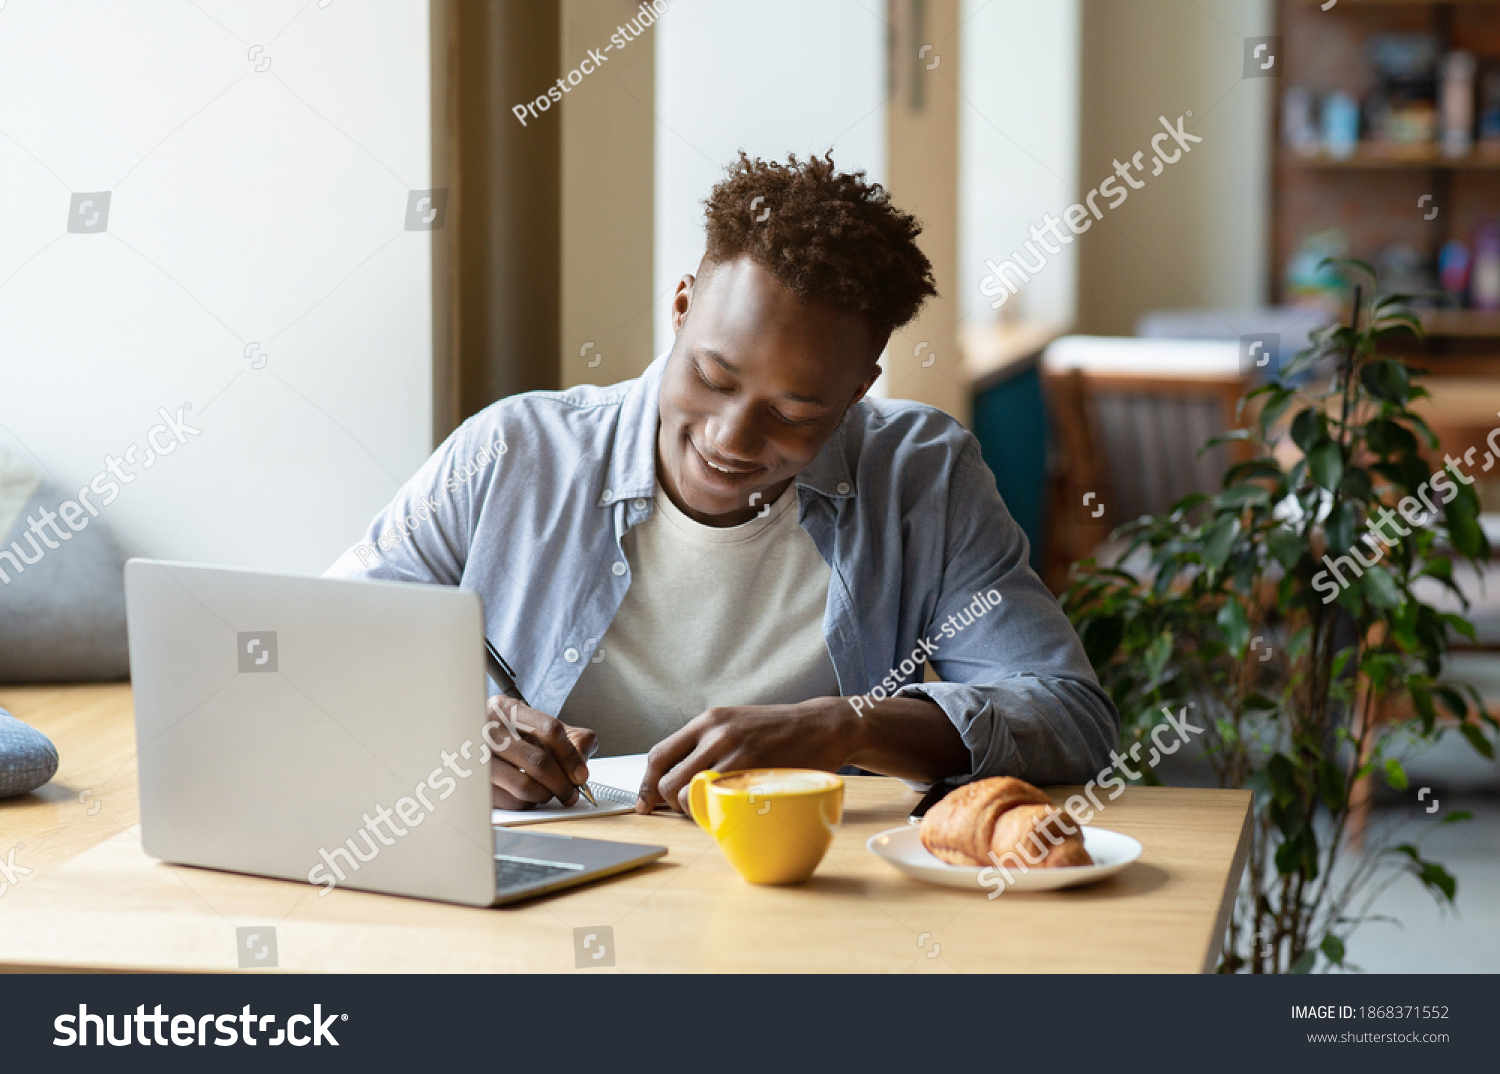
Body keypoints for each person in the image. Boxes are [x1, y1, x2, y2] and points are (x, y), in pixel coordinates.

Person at [326, 151, 1118, 814]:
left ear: (857, 391)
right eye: (712, 375)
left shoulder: (923, 475)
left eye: (798, 412)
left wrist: (849, 727)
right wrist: (457, 726)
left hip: (800, 895)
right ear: (680, 308)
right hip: (549, 887)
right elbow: (322, 649)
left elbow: (1069, 715)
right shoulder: (512, 453)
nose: (732, 439)